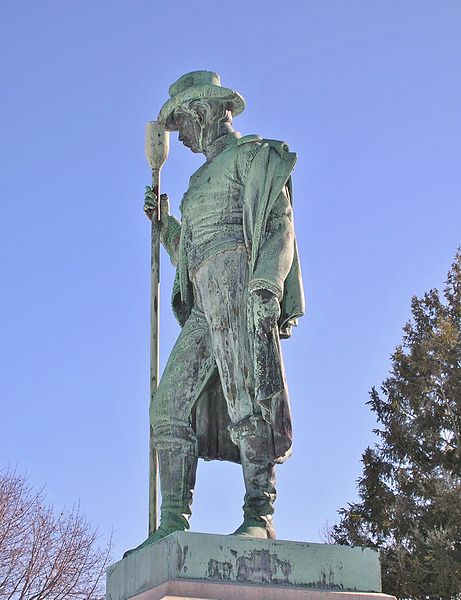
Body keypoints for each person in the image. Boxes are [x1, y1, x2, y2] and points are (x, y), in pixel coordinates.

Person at [137, 71, 304, 550]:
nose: (181, 135)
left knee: (247, 401)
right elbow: (190, 255)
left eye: (183, 123)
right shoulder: (193, 185)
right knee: (168, 407)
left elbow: (278, 229)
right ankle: (172, 522)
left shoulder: (254, 155)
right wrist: (165, 224)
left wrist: (266, 288)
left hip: (240, 287)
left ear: (206, 112)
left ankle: (260, 514)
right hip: (204, 301)